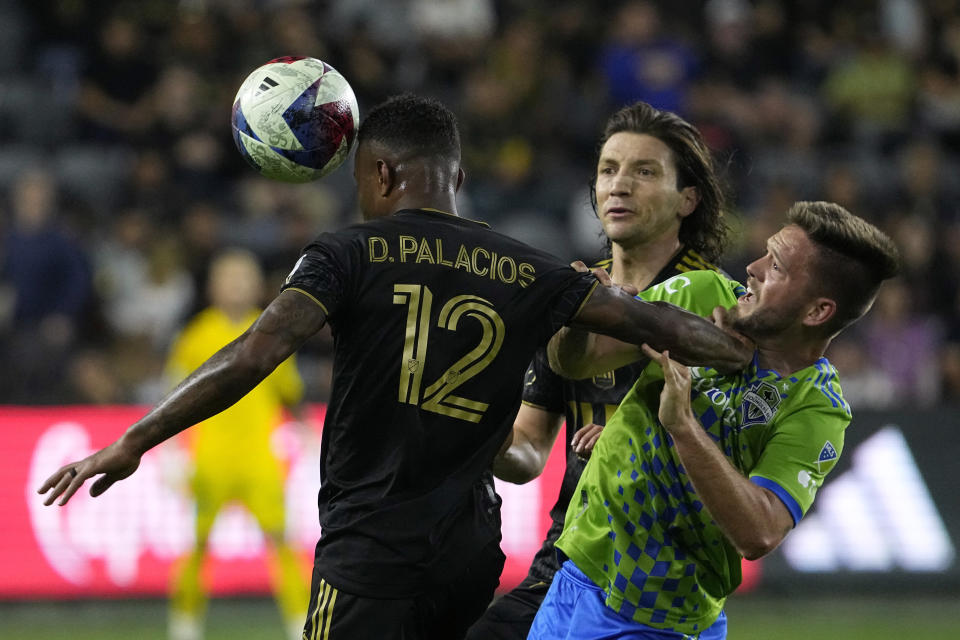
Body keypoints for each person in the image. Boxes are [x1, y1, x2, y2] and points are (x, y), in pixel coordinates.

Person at [37, 94, 752, 640]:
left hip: (370, 551)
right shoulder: (527, 267)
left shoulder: (347, 253)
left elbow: (253, 354)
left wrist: (135, 438)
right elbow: (655, 323)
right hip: (471, 552)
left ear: (380, 174)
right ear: (460, 176)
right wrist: (752, 347)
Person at [528, 201, 901, 639]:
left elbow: (759, 532)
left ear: (817, 312)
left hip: (659, 619)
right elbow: (578, 362)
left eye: (776, 267)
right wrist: (581, 314)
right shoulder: (704, 293)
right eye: (765, 252)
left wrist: (682, 426)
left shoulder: (816, 406)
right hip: (574, 580)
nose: (753, 267)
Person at [468, 100, 730, 640]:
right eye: (609, 170)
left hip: (664, 570)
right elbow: (527, 456)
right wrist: (475, 425)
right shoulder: (569, 299)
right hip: (571, 555)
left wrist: (638, 442)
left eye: (644, 171)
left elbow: (744, 446)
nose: (619, 185)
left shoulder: (718, 308)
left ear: (689, 199)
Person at [164, 248, 309, 640]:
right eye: (229, 278)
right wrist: (171, 452)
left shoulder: (272, 331)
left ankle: (301, 626)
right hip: (211, 458)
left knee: (282, 543)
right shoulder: (197, 335)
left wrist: (305, 431)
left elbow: (289, 394)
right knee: (196, 545)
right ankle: (184, 626)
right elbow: (174, 397)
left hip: (259, 458)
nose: (237, 286)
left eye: (244, 278)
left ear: (257, 286)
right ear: (213, 286)